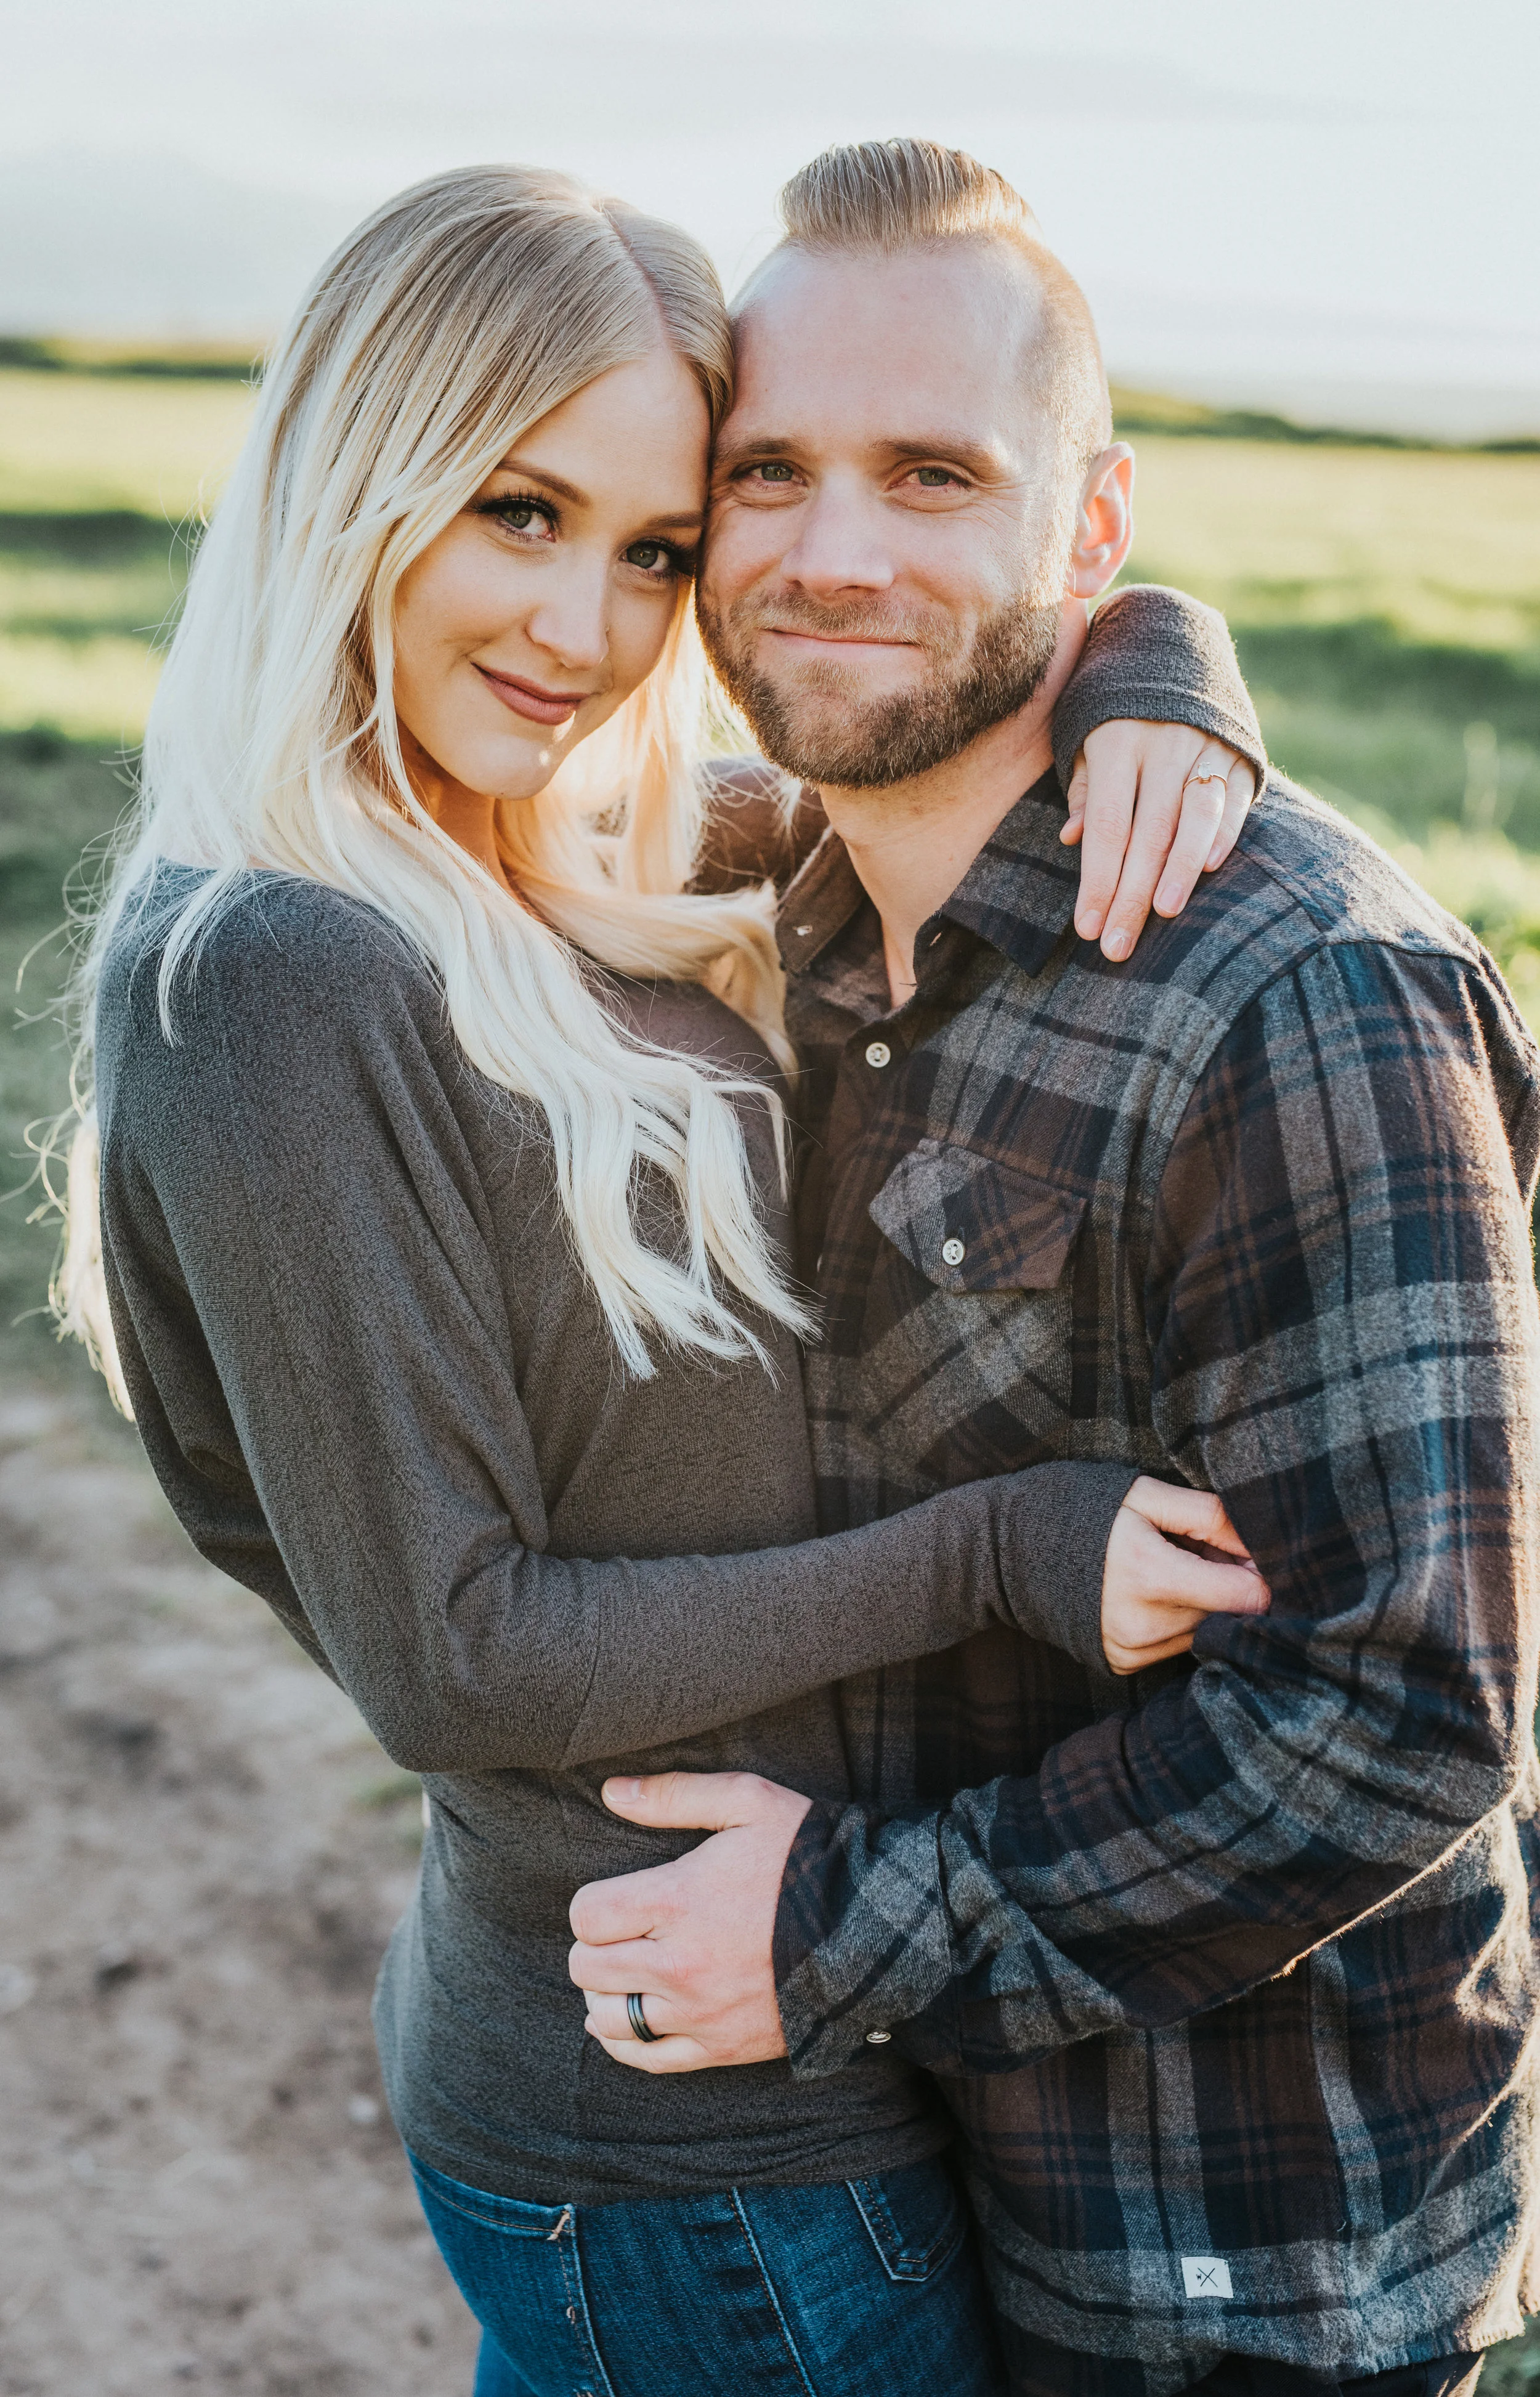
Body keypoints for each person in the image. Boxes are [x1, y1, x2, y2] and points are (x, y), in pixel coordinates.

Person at [57, 163, 1274, 2397]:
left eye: (649, 549)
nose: (588, 635)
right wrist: (995, 1553)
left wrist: (1156, 665)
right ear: (357, 474)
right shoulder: (270, 973)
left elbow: (916, 748)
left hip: (764, 2050)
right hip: (683, 2135)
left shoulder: (546, 851)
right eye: (515, 512)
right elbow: (456, 1655)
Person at [565, 140, 1540, 2397]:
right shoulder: (764, 921)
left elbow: (1405, 1705)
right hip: (861, 2181)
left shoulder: (1294, 990)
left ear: (1088, 533)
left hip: (1221, 2261)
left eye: (933, 474)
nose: (831, 554)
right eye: (769, 473)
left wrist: (843, 1930)